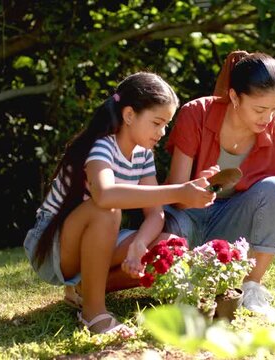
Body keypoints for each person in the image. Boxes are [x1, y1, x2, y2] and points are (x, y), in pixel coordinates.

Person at [23, 72, 216, 337]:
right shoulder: (102, 147)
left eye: (166, 125)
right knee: (108, 210)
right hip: (52, 246)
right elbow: (104, 195)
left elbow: (155, 215)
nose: (162, 133)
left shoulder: (143, 155)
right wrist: (181, 191)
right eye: (157, 123)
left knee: (167, 246)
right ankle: (94, 313)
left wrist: (139, 244)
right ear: (129, 115)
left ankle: (83, 290)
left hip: (90, 240)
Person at [163, 51, 275, 315]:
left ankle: (252, 287)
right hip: (185, 217)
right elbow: (177, 193)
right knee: (167, 244)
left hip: (233, 224)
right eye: (260, 109)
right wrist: (198, 190)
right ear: (235, 97)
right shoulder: (196, 113)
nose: (268, 118)